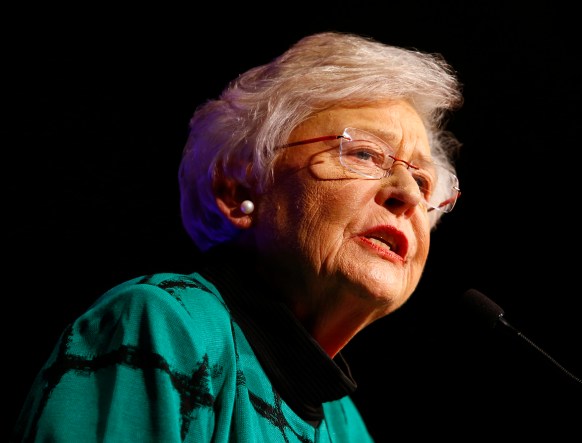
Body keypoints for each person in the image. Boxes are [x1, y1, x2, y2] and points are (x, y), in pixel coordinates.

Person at [13, 31, 463, 442]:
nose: (406, 194)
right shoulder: (164, 323)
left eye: (423, 183)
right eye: (365, 154)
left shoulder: (345, 423)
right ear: (239, 191)